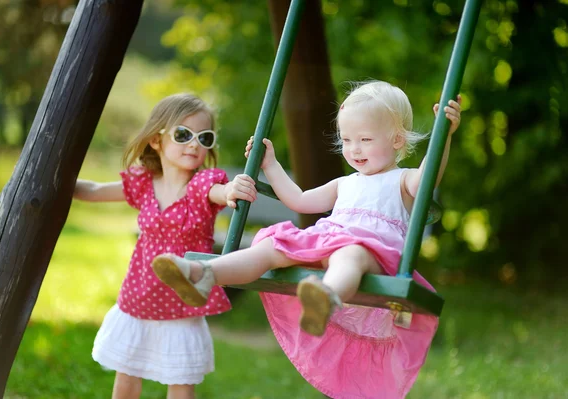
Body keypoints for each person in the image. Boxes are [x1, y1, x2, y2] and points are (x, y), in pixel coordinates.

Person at [151, 81, 462, 399]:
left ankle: (325, 299)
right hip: (328, 240)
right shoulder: (344, 183)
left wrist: (443, 137)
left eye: (365, 140)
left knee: (349, 255)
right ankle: (204, 275)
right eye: (347, 140)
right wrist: (270, 166)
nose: (354, 149)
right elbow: (299, 200)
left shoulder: (404, 179)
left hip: (372, 254)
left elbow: (429, 178)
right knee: (273, 246)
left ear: (397, 140)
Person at [73, 93, 257, 399]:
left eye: (204, 137)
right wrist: (53, 180)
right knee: (127, 368)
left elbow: (221, 193)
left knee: (180, 376)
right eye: (183, 135)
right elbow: (92, 190)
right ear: (157, 140)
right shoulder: (144, 182)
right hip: (140, 294)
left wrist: (232, 189)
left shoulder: (201, 185)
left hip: (182, 300)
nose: (194, 144)